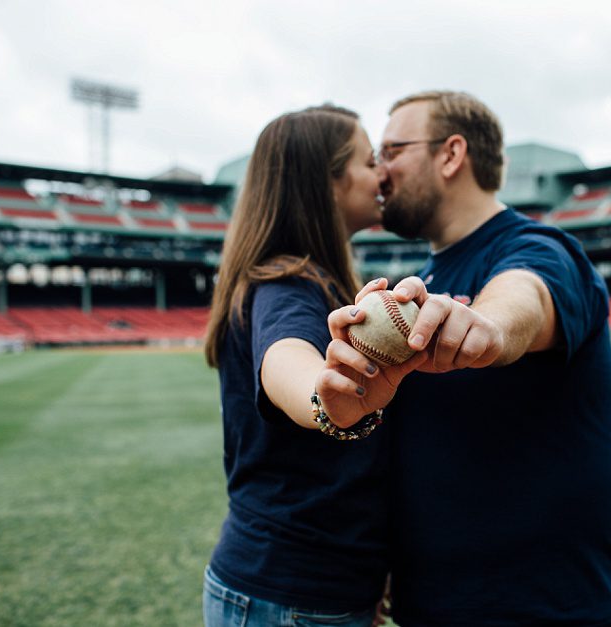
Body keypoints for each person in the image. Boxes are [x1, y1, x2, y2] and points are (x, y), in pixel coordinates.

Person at [316, 91, 611, 626]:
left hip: (542, 611)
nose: (379, 171)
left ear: (451, 154)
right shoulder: (422, 280)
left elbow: (523, 298)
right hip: (430, 607)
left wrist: (491, 329)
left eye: (391, 150)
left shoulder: (539, 248)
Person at [202, 104, 424, 627]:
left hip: (303, 590)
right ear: (326, 184)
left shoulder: (311, 279)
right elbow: (289, 363)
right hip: (289, 596)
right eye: (370, 161)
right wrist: (328, 398)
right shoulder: (286, 284)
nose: (382, 175)